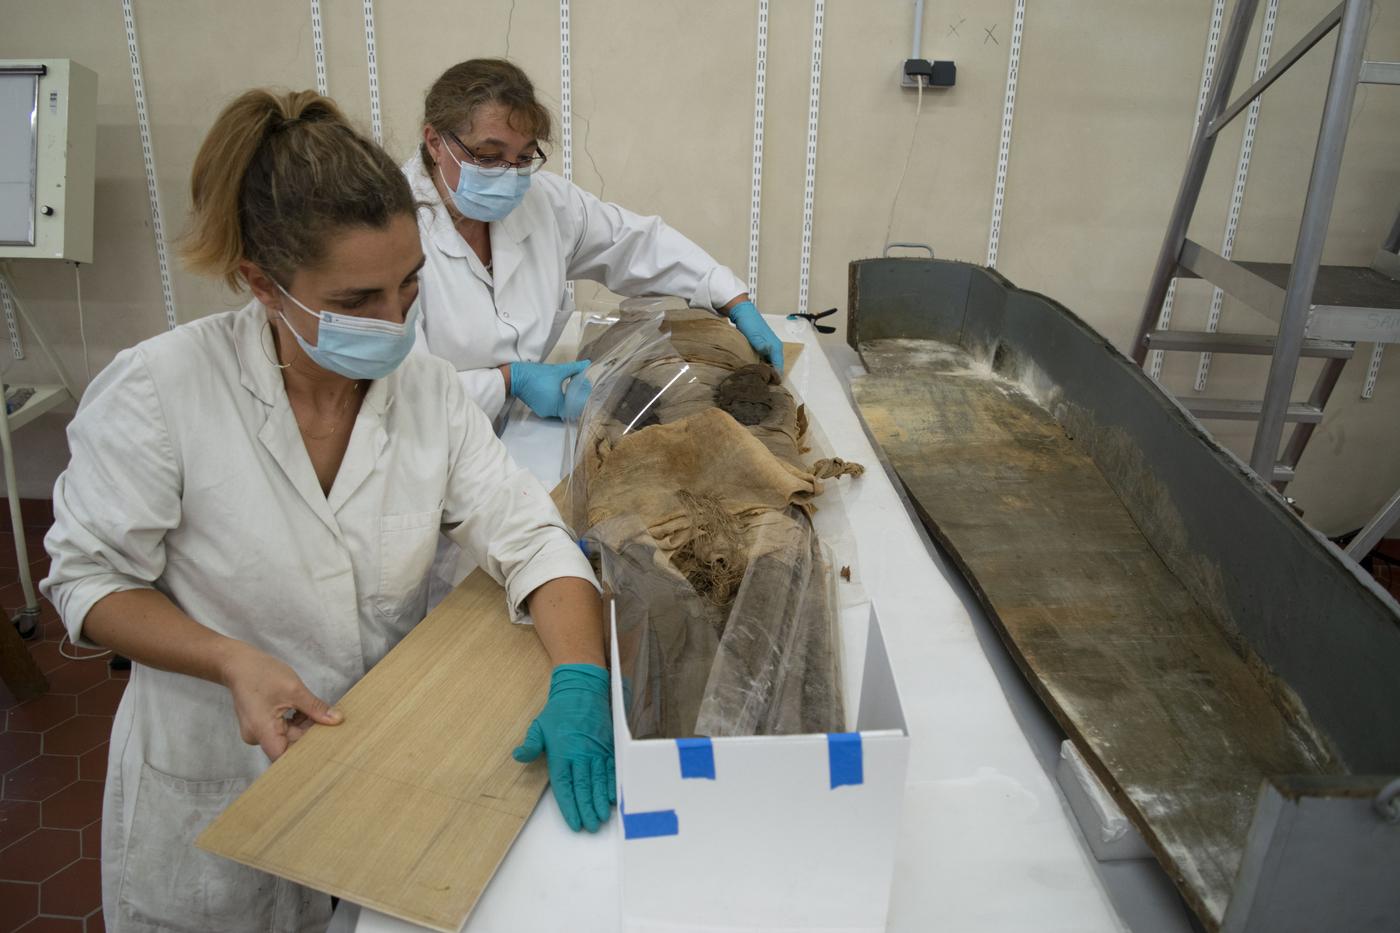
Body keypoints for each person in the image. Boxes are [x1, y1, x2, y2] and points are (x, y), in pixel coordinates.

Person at [41, 89, 615, 932]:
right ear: (262, 285)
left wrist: (579, 676)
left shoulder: (421, 390)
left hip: (368, 765)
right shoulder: (162, 389)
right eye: (355, 301)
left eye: (409, 286)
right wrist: (230, 659)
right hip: (211, 786)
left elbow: (530, 535)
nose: (394, 323)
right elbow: (88, 580)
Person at [406, 58, 785, 424]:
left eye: (523, 158)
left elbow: (633, 244)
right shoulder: (388, 232)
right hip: (430, 452)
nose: (509, 175)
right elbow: (398, 395)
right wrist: (508, 381)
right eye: (488, 157)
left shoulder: (544, 203)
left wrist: (732, 299)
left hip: (520, 431)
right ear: (435, 142)